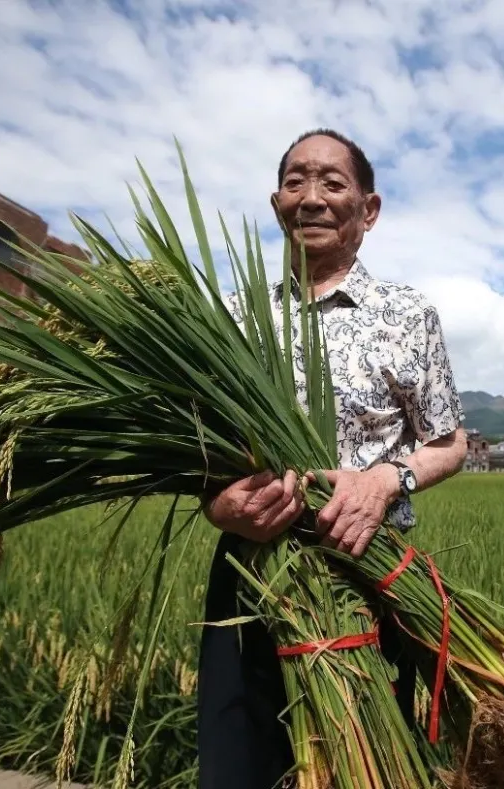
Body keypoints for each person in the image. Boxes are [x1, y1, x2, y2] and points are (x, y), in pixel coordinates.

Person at [196, 128, 468, 789]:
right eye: (295, 182)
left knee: (363, 766)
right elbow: (199, 448)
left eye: (332, 183)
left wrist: (386, 479)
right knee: (239, 765)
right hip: (252, 573)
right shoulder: (235, 317)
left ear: (368, 210)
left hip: (366, 572)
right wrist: (217, 503)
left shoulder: (407, 313)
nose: (310, 197)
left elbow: (449, 439)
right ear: (275, 202)